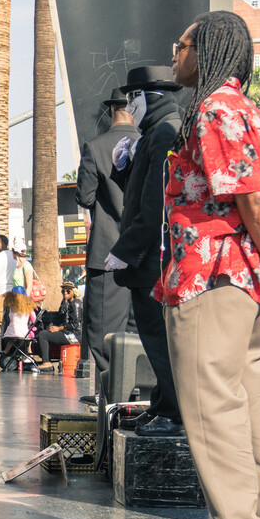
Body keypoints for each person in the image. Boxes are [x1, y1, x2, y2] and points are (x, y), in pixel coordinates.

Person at [159, 11, 260, 519]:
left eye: (182, 43)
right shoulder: (249, 112)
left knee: (211, 403)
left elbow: (252, 198)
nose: (175, 52)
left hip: (208, 276)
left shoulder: (213, 108)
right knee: (255, 400)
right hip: (243, 281)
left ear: (207, 49)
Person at [108, 65, 188, 436]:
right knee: (154, 338)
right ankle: (162, 404)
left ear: (146, 98)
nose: (128, 107)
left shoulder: (164, 133)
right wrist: (124, 167)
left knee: (159, 338)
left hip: (155, 258)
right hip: (152, 257)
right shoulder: (156, 133)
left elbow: (155, 205)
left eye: (132, 99)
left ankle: (173, 411)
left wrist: (126, 249)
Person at [77, 89, 140, 380]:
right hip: (144, 254)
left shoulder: (96, 146)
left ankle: (115, 394)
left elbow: (85, 197)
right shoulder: (149, 141)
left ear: (112, 109)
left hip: (107, 253)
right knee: (139, 331)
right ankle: (141, 395)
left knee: (102, 331)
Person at [36, 281, 83, 371]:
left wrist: (58, 328)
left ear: (73, 292)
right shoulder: (67, 303)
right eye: (63, 291)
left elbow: (75, 326)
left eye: (68, 291)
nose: (65, 293)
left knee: (43, 335)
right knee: (45, 332)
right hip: (69, 333)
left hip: (75, 336)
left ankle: (46, 362)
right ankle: (47, 361)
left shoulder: (75, 304)